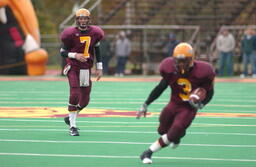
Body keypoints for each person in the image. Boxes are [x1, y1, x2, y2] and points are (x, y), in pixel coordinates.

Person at [136, 42, 215, 164]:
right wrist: (146, 104)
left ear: (191, 59)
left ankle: (148, 152)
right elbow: (160, 87)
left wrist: (201, 104)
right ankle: (176, 137)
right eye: (179, 61)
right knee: (162, 130)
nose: (181, 64)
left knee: (175, 130)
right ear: (174, 60)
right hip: (173, 104)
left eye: (185, 61)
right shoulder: (169, 69)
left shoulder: (203, 71)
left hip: (188, 108)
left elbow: (209, 92)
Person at [60, 8, 104, 136]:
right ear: (77, 20)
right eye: (80, 18)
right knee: (74, 94)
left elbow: (98, 51)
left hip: (86, 68)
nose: (83, 20)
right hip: (73, 67)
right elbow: (62, 52)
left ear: (89, 20)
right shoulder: (70, 34)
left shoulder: (95, 33)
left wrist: (99, 67)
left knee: (85, 100)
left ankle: (70, 117)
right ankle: (72, 126)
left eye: (85, 18)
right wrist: (75, 55)